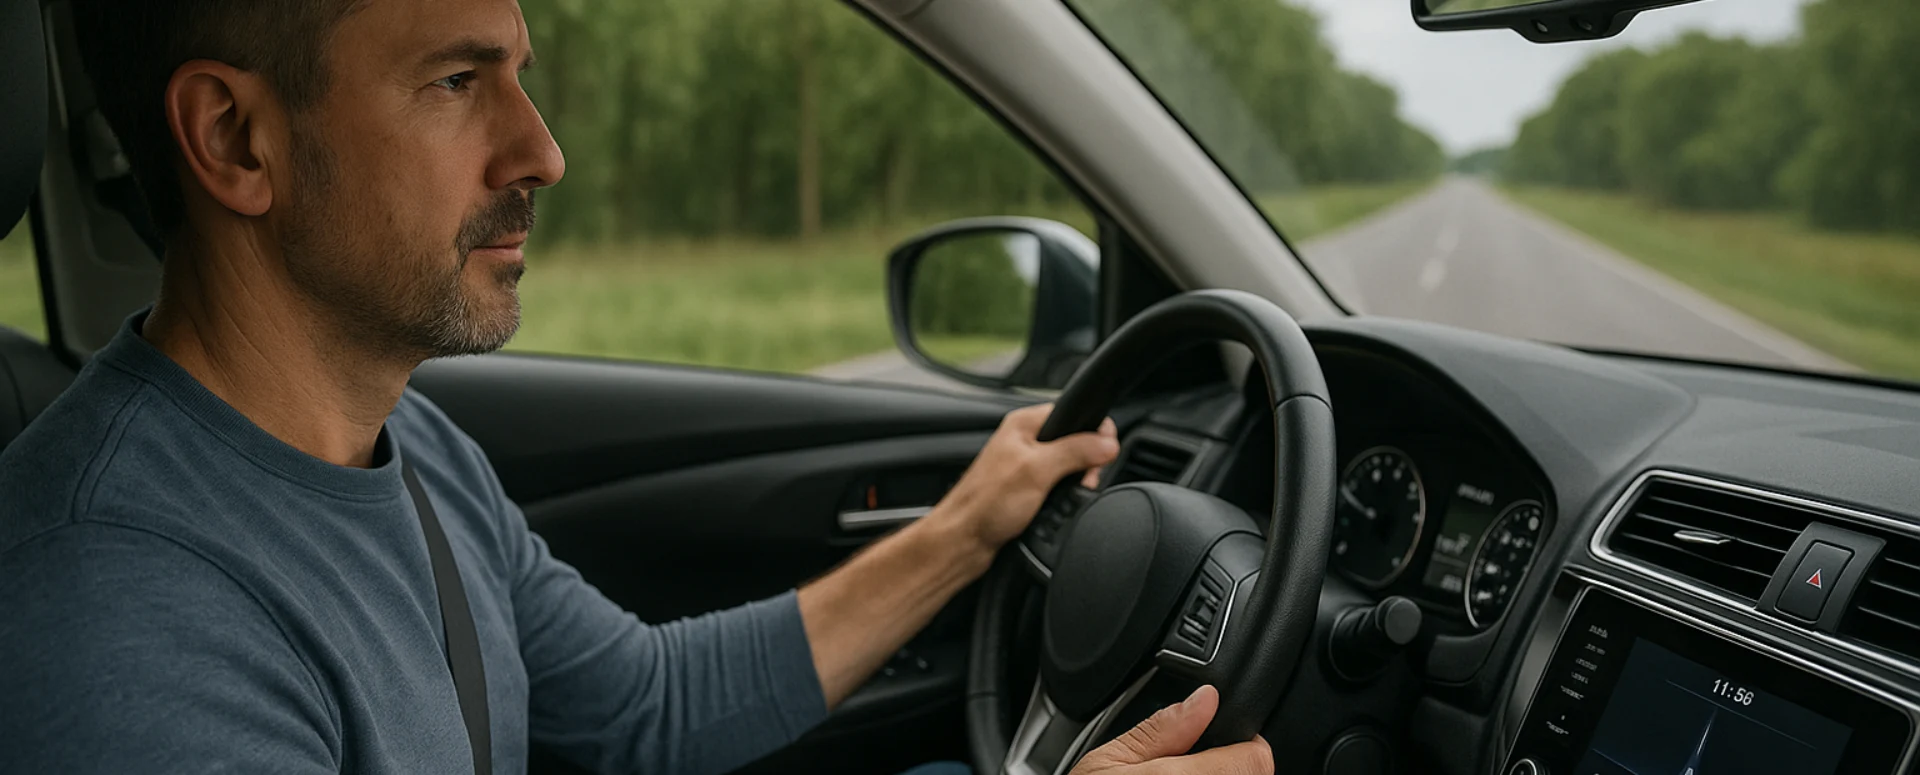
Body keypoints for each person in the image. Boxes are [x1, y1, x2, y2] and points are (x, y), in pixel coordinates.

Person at [0, 1, 1276, 774]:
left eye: (520, 72)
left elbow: (649, 710)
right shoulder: (117, 617)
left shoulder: (411, 444)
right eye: (456, 80)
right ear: (236, 138)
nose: (541, 149)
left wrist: (962, 528)